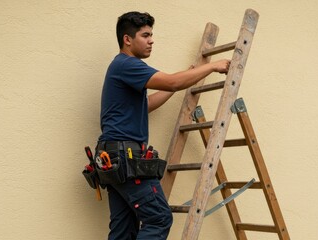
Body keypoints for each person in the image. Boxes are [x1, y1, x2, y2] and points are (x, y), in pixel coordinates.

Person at [96, 11, 230, 240]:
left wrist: (179, 84)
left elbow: (146, 104)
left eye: (151, 35)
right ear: (127, 39)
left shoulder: (121, 68)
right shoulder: (127, 64)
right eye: (145, 35)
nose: (151, 40)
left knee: (123, 230)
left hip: (113, 158)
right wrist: (212, 66)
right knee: (159, 218)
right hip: (125, 157)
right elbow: (171, 81)